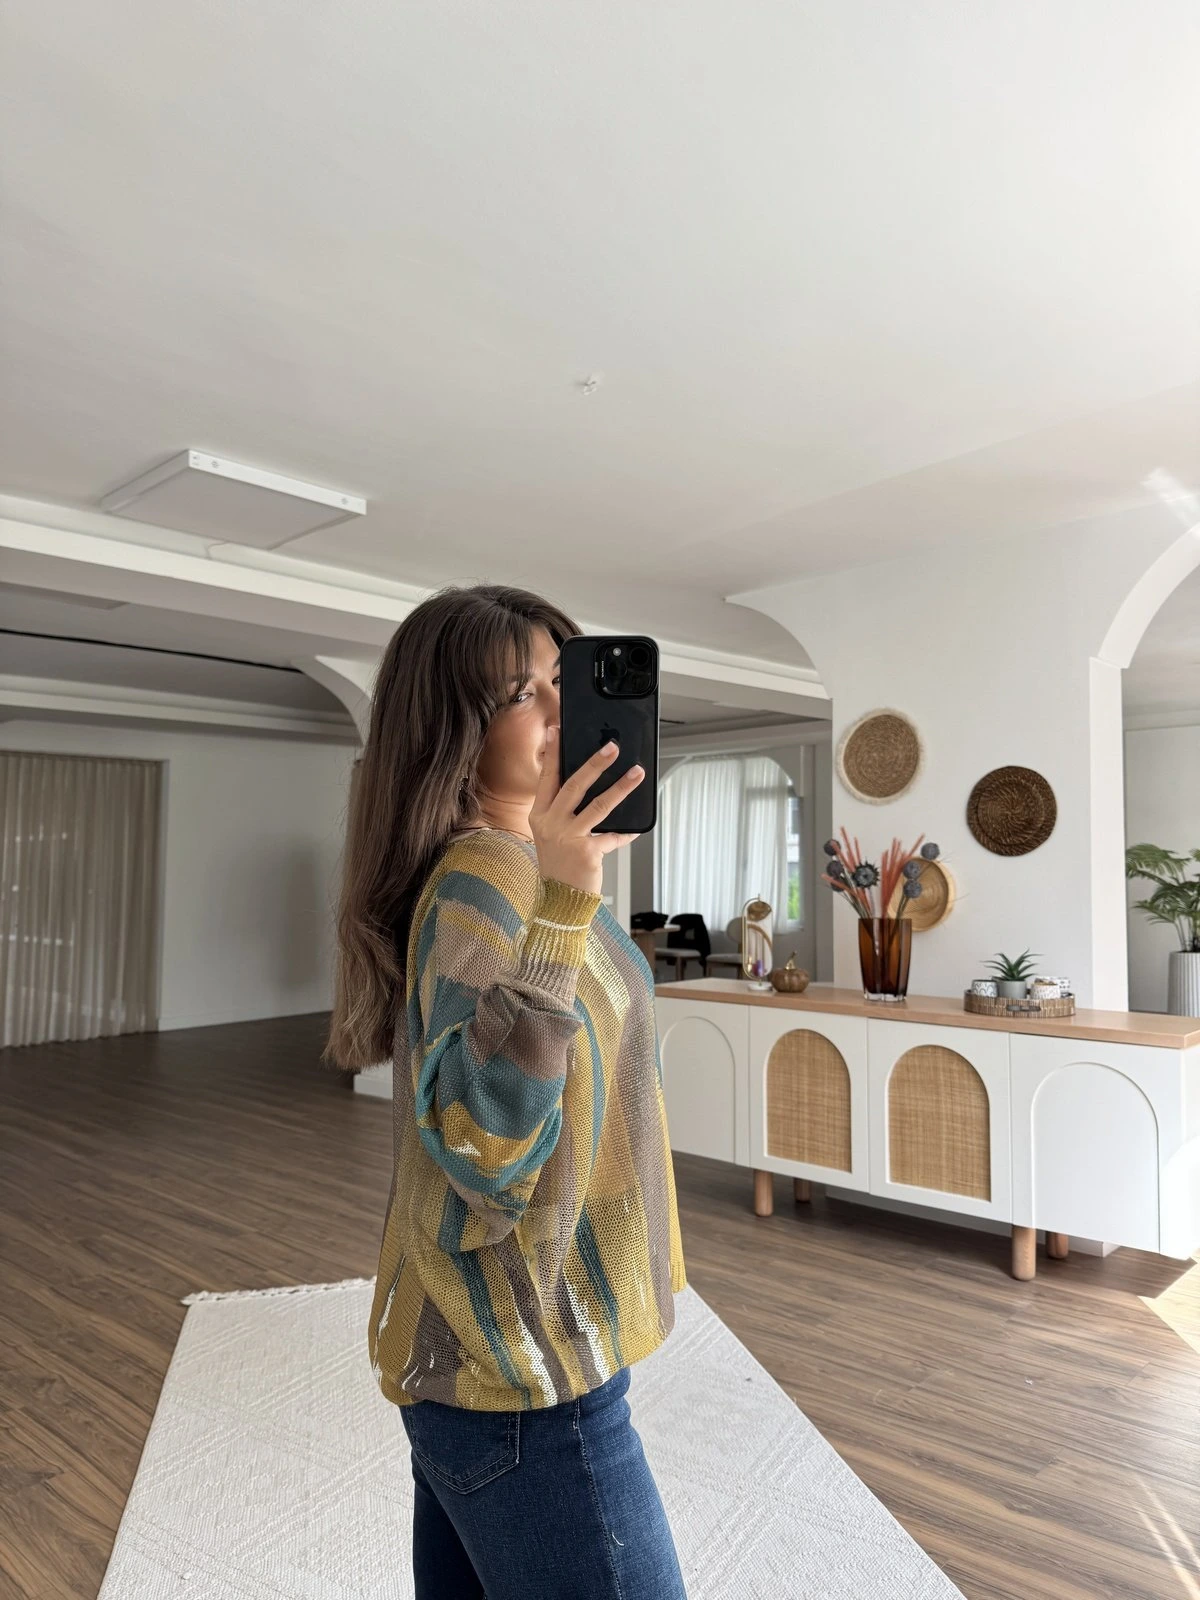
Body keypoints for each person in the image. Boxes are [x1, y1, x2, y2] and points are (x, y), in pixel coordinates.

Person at [324, 582, 689, 1599]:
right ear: (454, 736)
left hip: (499, 1359)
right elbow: (482, 1143)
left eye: (566, 682)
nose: (563, 713)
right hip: (528, 1376)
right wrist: (566, 899)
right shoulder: (487, 883)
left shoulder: (522, 866)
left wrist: (571, 881)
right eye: (524, 694)